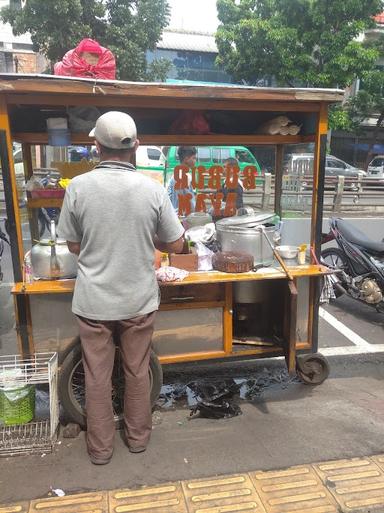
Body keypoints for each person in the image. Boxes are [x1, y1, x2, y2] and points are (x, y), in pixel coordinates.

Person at [58, 111, 185, 465]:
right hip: (138, 301)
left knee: (97, 376)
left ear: (95, 145)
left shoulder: (79, 188)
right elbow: (176, 245)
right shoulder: (153, 189)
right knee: (136, 370)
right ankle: (138, 440)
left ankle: (99, 451)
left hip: (94, 302)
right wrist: (146, 239)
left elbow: (71, 244)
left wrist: (100, 248)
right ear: (137, 147)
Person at [167, 146, 197, 213]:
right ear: (186, 159)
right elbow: (190, 202)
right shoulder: (184, 177)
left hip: (174, 214)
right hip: (182, 217)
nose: (195, 160)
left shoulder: (175, 175)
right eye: (194, 158)